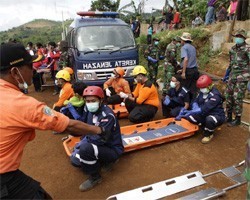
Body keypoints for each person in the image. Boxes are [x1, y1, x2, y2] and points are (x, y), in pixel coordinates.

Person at [0, 43, 109, 199]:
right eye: (31, 66)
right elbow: (69, 125)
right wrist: (99, 130)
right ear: (15, 72)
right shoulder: (21, 104)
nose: (34, 70)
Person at [70, 86, 124, 192]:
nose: (90, 103)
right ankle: (100, 161)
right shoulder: (89, 110)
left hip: (111, 148)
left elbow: (102, 139)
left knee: (85, 150)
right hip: (98, 144)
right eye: (88, 101)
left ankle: (95, 177)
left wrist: (83, 144)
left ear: (101, 100)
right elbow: (86, 126)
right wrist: (82, 139)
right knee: (75, 160)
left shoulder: (107, 116)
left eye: (93, 101)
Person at [181, 75, 225, 144]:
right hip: (204, 113)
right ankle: (204, 126)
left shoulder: (215, 95)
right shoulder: (202, 92)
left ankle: (209, 134)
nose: (201, 89)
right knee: (190, 117)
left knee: (210, 120)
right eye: (200, 88)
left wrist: (193, 111)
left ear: (208, 85)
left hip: (216, 114)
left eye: (203, 87)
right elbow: (195, 100)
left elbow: (206, 108)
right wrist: (194, 105)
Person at [224, 29, 249, 127]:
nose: (238, 38)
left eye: (240, 36)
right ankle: (229, 116)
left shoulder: (248, 48)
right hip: (232, 75)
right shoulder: (233, 49)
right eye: (237, 36)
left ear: (243, 38)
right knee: (228, 95)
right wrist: (226, 74)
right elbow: (231, 63)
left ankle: (237, 118)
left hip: (243, 76)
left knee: (237, 97)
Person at [179, 32, 199, 100]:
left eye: (181, 40)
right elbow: (192, 59)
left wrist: (183, 72)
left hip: (189, 72)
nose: (180, 41)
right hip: (195, 70)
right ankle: (193, 104)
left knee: (185, 89)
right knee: (193, 89)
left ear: (184, 41)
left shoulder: (184, 47)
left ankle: (185, 105)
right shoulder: (193, 48)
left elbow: (186, 59)